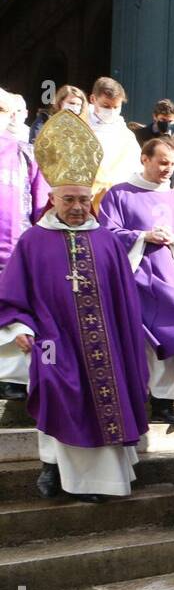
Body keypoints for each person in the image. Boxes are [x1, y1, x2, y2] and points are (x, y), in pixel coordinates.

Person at [0, 110, 149, 502]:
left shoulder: (106, 241)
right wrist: (21, 328)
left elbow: (124, 299)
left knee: (104, 398)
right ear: (51, 198)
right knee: (58, 394)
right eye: (69, 199)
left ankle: (102, 482)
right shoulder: (32, 241)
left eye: (84, 199)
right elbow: (12, 294)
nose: (78, 207)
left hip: (106, 343)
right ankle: (52, 466)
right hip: (53, 342)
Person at [98, 137, 174, 426]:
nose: (168, 169)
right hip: (134, 278)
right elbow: (106, 233)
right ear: (144, 159)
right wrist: (142, 236)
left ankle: (164, 402)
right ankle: (135, 398)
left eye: (172, 165)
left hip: (170, 278)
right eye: (163, 162)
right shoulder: (119, 194)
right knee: (136, 339)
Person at [0, 95, 49, 401]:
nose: (13, 117)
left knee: (14, 313)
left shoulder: (27, 153)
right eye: (7, 111)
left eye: (19, 111)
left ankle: (10, 379)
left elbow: (41, 198)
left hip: (18, 244)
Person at [86, 77, 141, 200]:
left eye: (116, 107)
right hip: (85, 197)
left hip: (116, 198)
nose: (111, 111)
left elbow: (136, 169)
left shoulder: (126, 135)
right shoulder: (78, 127)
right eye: (106, 106)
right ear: (93, 99)